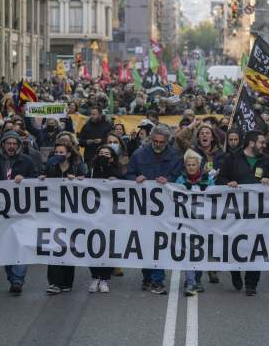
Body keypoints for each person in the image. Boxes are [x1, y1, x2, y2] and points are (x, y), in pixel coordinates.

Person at [126, 125, 183, 295]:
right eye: (155, 141)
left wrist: (169, 180)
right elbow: (128, 175)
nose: (158, 144)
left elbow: (178, 176)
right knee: (145, 242)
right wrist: (136, 178)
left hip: (165, 208)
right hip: (143, 207)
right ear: (151, 139)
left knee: (160, 243)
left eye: (162, 142)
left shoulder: (174, 156)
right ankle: (147, 275)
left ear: (167, 141)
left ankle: (158, 279)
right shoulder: (139, 154)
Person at [218, 130, 269, 296]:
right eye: (261, 142)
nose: (264, 145)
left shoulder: (267, 161)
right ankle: (235, 272)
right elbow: (220, 179)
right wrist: (228, 183)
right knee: (235, 245)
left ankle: (252, 283)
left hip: (258, 214)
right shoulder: (232, 158)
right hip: (235, 214)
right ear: (251, 143)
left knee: (255, 247)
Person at [0, 131, 38, 294]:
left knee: (21, 245)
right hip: (1, 212)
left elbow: (36, 180)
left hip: (21, 211)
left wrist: (25, 179)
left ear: (18, 145)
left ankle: (17, 279)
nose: (11, 146)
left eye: (14, 144)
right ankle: (12, 276)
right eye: (8, 143)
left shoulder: (27, 161)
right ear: (3, 145)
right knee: (7, 245)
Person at [39, 143, 87, 295]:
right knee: (54, 246)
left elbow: (86, 185)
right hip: (53, 214)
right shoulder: (50, 167)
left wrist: (79, 180)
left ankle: (67, 281)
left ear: (68, 154)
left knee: (68, 247)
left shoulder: (78, 167)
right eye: (56, 152)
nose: (58, 154)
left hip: (72, 215)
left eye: (62, 152)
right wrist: (42, 178)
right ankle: (54, 282)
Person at [175, 149, 215, 296]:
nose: (191, 167)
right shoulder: (180, 180)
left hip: (202, 223)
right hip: (186, 222)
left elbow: (215, 196)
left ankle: (196, 280)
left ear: (199, 165)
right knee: (189, 252)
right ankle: (190, 282)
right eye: (188, 165)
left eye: (194, 164)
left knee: (200, 252)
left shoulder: (208, 179)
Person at [89, 145, 125, 289]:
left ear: (112, 157)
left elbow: (124, 186)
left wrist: (116, 179)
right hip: (94, 213)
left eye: (107, 153)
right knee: (93, 244)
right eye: (101, 153)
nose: (103, 155)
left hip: (111, 213)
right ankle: (95, 276)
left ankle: (104, 278)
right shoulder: (91, 170)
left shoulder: (117, 170)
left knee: (108, 245)